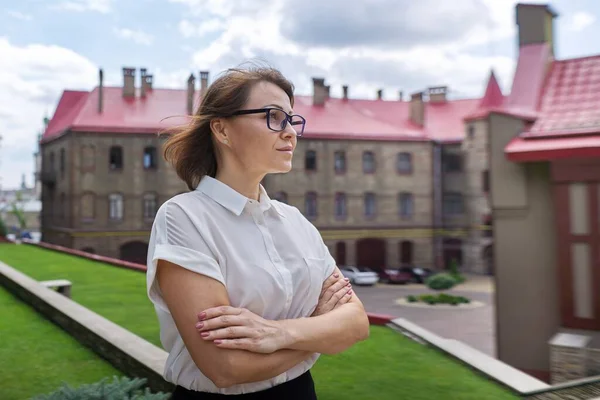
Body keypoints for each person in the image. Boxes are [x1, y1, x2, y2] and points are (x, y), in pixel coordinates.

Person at [146, 65, 370, 399]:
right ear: (222, 130)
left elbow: (356, 323)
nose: (291, 132)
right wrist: (319, 331)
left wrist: (279, 334)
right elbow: (225, 367)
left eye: (292, 120)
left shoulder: (296, 222)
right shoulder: (184, 217)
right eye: (274, 117)